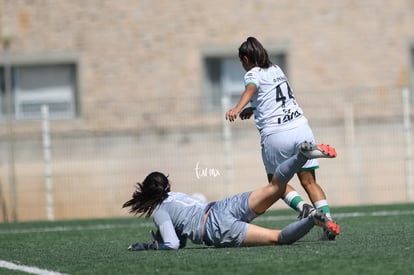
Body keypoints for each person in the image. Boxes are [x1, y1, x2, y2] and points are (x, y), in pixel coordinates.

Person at [123, 142, 339, 250]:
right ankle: (301, 156)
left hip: (215, 229)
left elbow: (172, 244)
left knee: (278, 237)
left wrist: (152, 246)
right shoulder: (176, 195)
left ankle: (312, 219)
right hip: (222, 206)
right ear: (168, 185)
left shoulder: (160, 212)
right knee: (276, 186)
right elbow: (194, 205)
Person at [225, 36, 339, 240]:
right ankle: (328, 221)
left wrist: (237, 107)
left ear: (245, 58)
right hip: (301, 127)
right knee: (309, 182)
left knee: (275, 184)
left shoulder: (252, 73)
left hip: (277, 134)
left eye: (242, 61)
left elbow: (251, 88)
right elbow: (273, 97)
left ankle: (307, 210)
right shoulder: (276, 69)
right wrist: (254, 108)